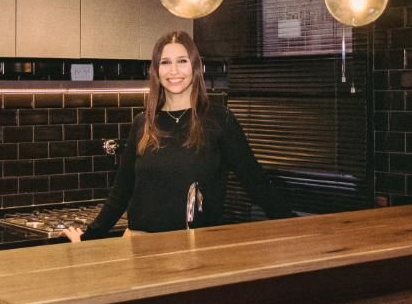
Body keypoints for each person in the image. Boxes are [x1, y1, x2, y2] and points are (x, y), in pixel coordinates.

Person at [63, 30, 294, 242]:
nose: (173, 71)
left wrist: (298, 227)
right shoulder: (143, 123)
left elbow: (256, 182)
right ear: (156, 71)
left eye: (182, 61)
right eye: (165, 62)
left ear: (195, 67)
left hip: (197, 247)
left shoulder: (218, 120)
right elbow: (121, 193)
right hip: (141, 247)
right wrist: (88, 238)